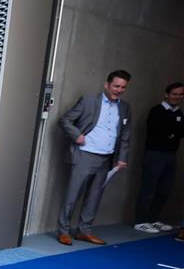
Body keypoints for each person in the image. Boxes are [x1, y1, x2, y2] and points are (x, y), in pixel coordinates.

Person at [56, 69, 132, 245]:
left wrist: (122, 157)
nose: (119, 90)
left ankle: (84, 231)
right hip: (85, 155)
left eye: (123, 87)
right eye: (116, 85)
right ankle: (63, 231)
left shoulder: (125, 107)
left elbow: (126, 133)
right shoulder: (89, 101)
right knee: (73, 194)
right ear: (107, 85)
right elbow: (64, 120)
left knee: (95, 196)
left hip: (107, 158)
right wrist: (77, 135)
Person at [133, 82, 184, 234]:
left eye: (181, 94)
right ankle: (140, 221)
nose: (177, 97)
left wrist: (173, 132)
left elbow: (179, 132)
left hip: (170, 155)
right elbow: (162, 131)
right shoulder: (156, 111)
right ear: (166, 94)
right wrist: (173, 131)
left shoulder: (179, 113)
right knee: (148, 189)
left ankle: (152, 219)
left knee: (164, 190)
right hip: (155, 154)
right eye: (174, 94)